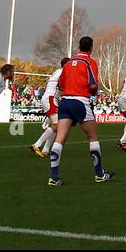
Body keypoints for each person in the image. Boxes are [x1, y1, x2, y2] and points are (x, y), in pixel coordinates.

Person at [47, 36, 114, 186]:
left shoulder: (69, 62)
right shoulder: (90, 62)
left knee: (60, 139)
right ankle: (99, 174)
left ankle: (54, 177)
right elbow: (93, 85)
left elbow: (61, 85)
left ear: (79, 46)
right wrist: (92, 92)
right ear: (91, 47)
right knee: (93, 137)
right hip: (81, 102)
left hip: (65, 102)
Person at [31, 57, 69, 158]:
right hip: (51, 99)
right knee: (58, 124)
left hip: (50, 99)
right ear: (66, 65)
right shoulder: (63, 73)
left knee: (57, 125)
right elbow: (61, 87)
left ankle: (46, 150)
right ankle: (37, 145)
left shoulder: (58, 71)